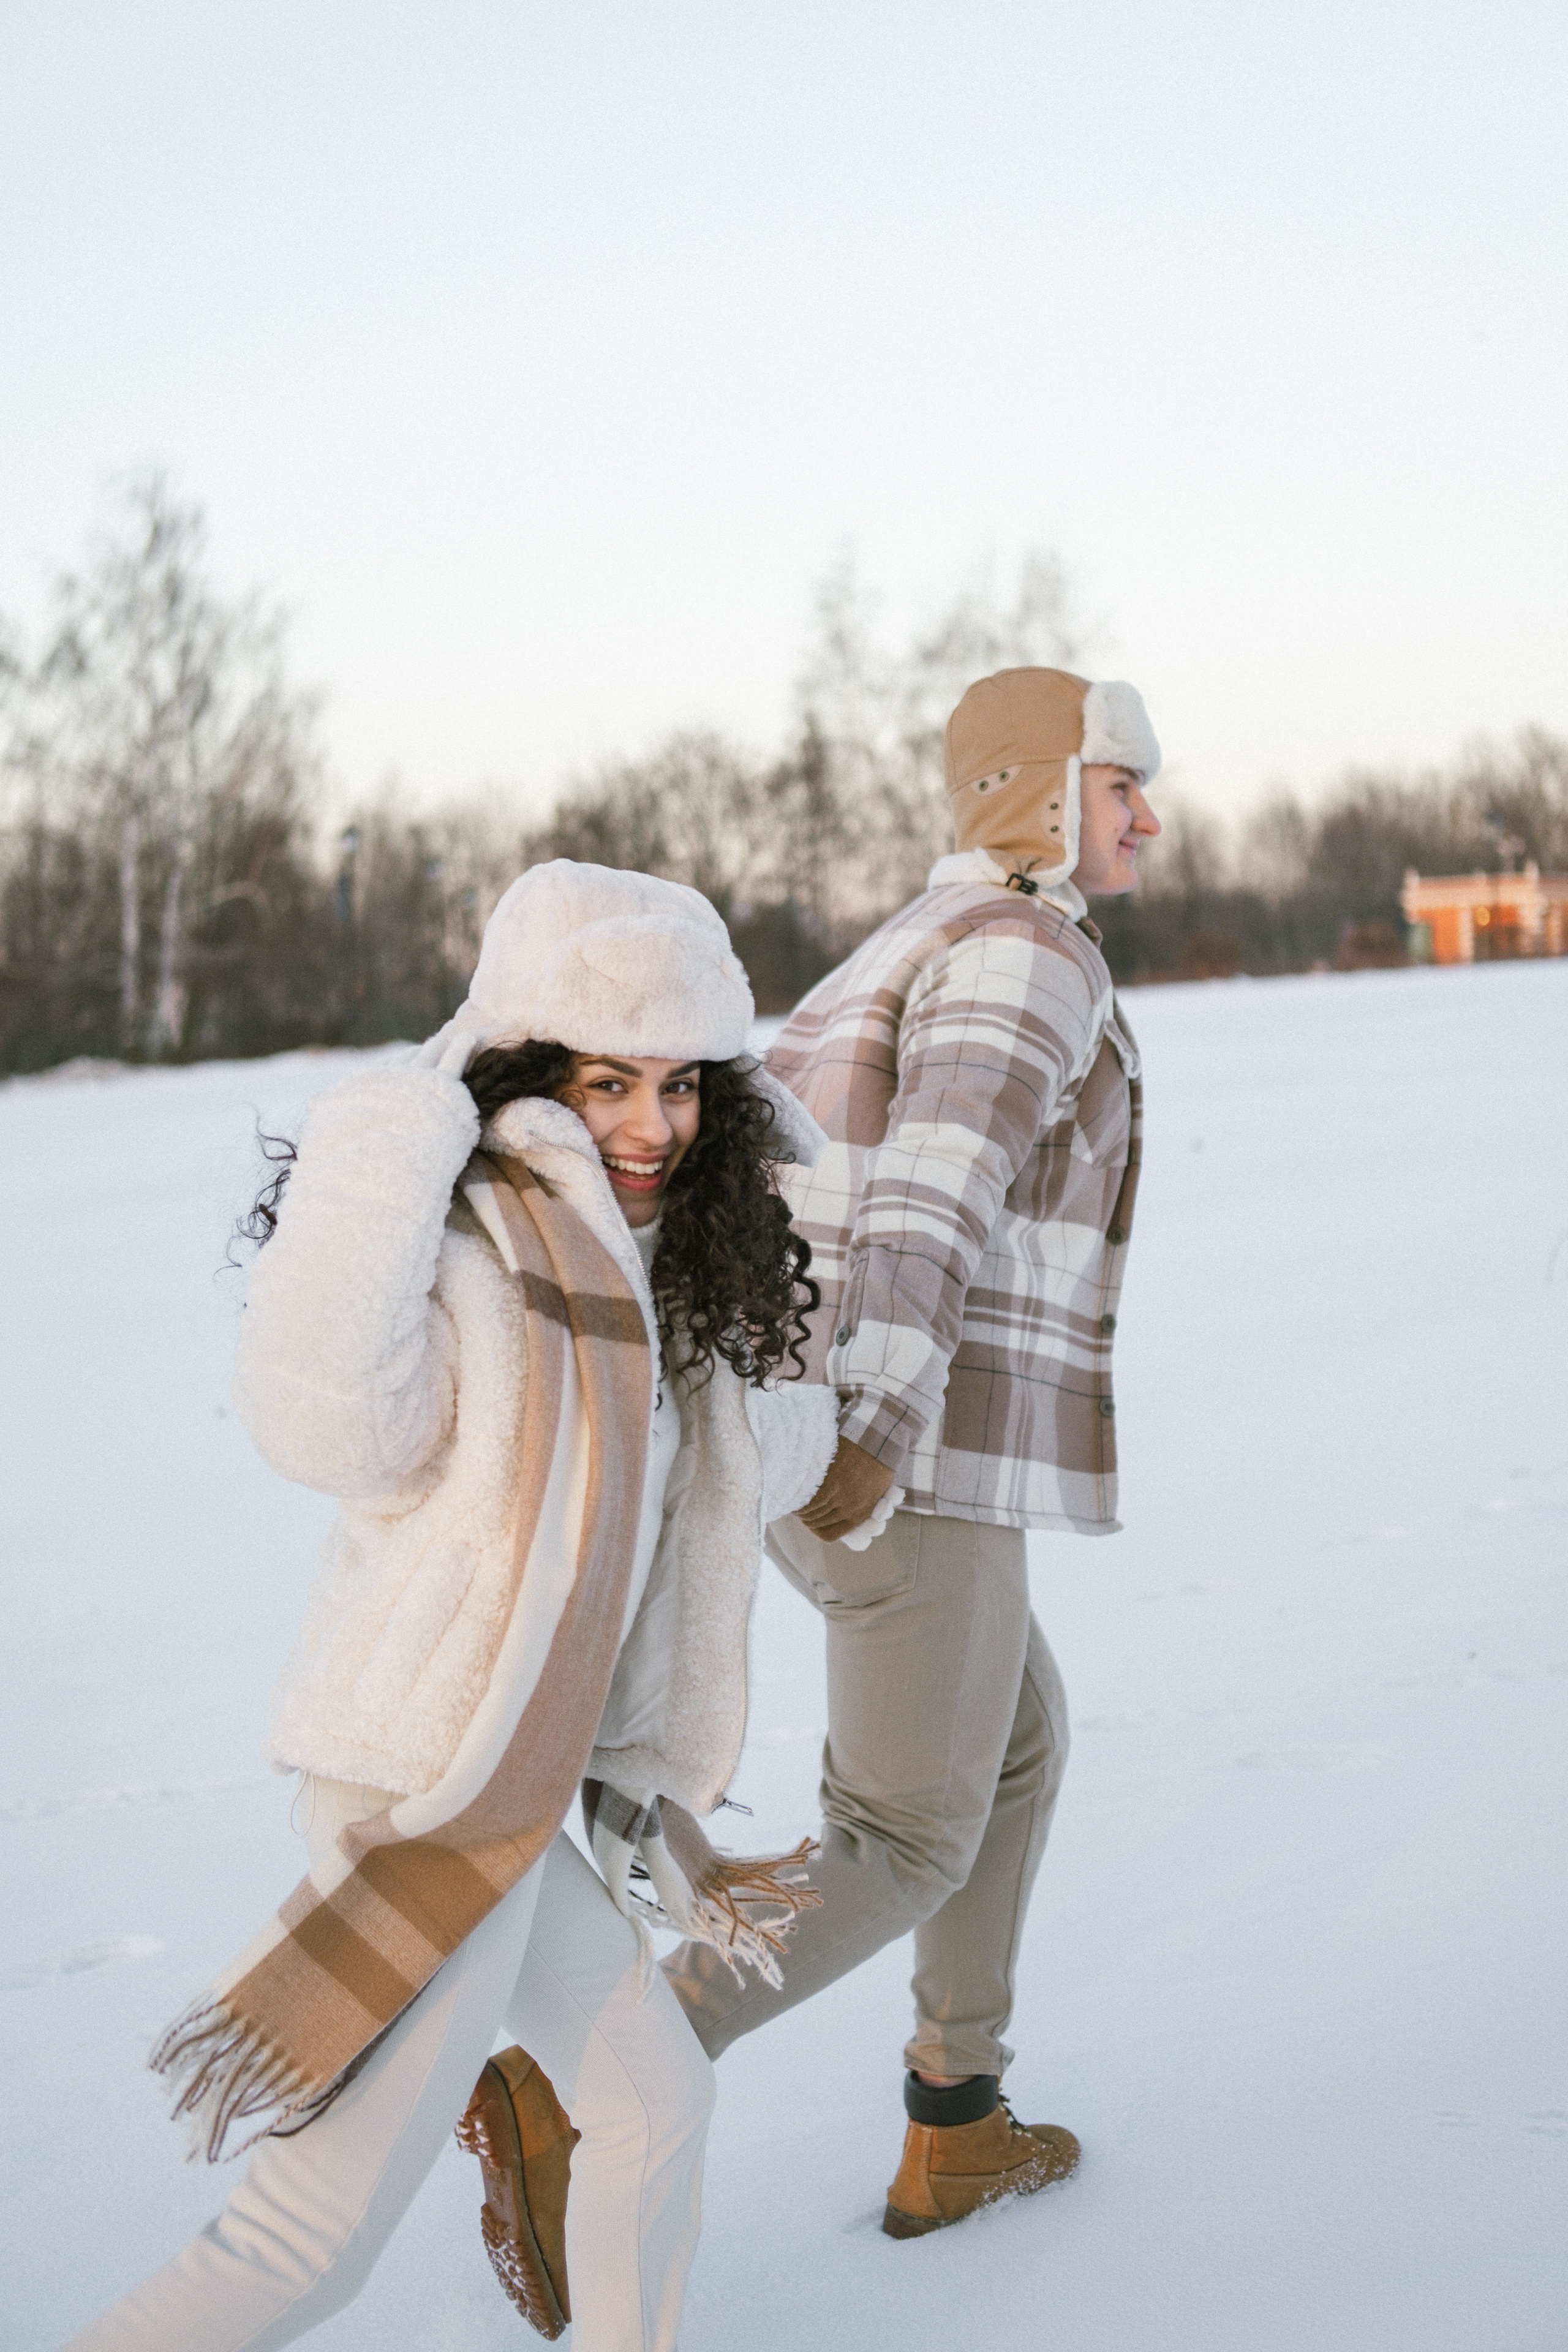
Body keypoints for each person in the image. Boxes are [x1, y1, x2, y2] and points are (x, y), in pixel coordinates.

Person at [62, 860, 839, 2352]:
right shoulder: (476, 1248)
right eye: (608, 1081)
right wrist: (381, 1152)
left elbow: (730, 1472)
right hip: (424, 1789)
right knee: (307, 2243)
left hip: (516, 1791)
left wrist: (848, 1377)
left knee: (657, 2104)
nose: (652, 1125)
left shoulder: (651, 1282)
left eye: (682, 1085)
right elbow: (330, 1427)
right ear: (528, 1072)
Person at [662, 663, 1162, 2237]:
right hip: (893, 1455)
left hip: (817, 1433)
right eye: (1120, 783)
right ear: (1036, 793)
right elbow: (933, 1185)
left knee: (1015, 1742)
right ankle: (591, 2067)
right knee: (902, 1834)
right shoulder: (1023, 946)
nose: (1147, 816)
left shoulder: (915, 936)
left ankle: (957, 2119)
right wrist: (871, 1433)